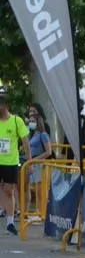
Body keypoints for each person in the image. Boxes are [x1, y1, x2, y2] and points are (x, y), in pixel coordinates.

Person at [0, 95, 30, 235]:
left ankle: (10, 223)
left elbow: (25, 142)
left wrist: (29, 162)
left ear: (5, 106)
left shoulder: (17, 121)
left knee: (9, 191)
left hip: (10, 162)